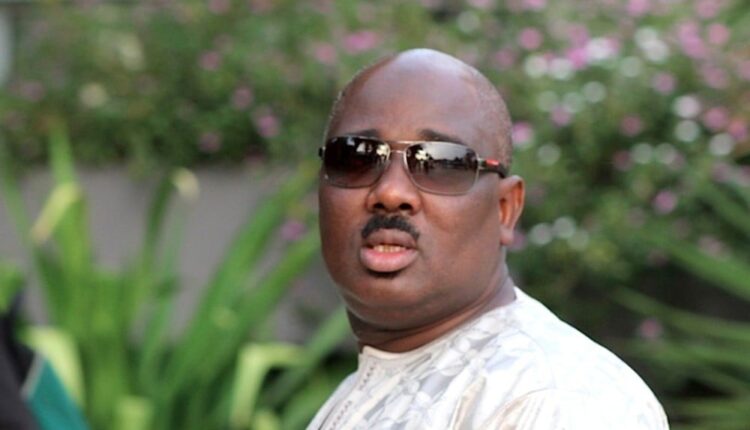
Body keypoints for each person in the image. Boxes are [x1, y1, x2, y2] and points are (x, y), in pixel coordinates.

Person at [309, 48, 668, 429]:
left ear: (504, 209)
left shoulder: (553, 399)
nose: (391, 192)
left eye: (440, 163)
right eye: (356, 157)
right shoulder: (367, 386)